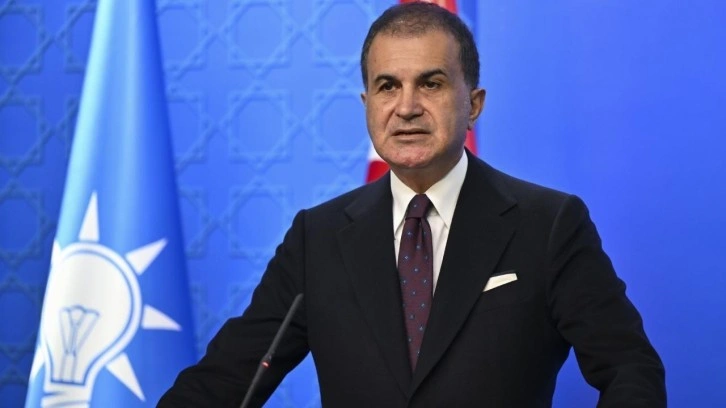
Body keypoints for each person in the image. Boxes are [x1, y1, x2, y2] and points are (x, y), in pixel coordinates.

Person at [158, 3, 665, 407]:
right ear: (367, 106)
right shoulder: (318, 237)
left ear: (474, 103)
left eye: (431, 83)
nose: (406, 107)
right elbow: (226, 380)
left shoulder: (548, 224)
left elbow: (630, 370)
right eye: (387, 87)